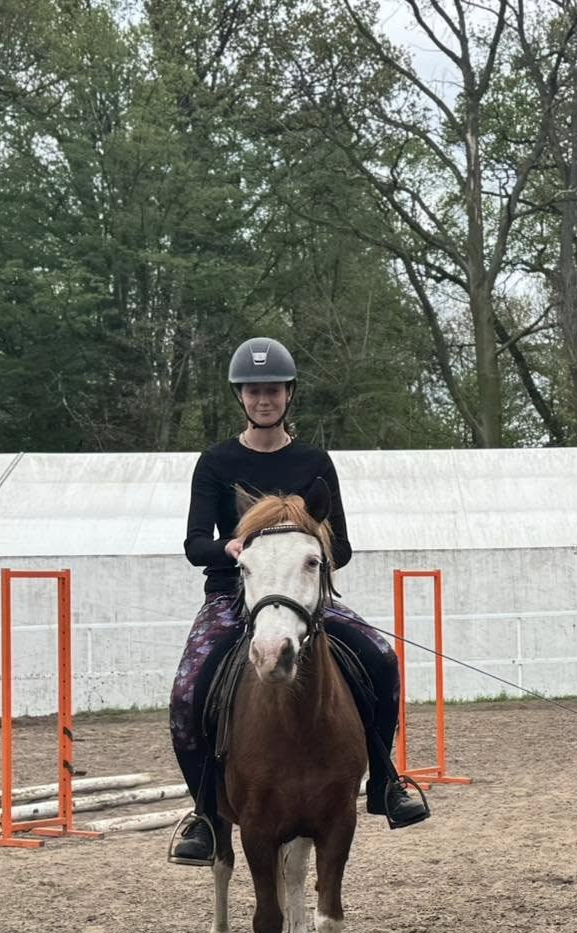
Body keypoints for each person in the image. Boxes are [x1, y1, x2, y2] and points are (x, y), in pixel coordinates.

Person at [166, 337, 430, 864]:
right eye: (254, 391)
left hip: (306, 598)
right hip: (234, 595)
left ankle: (384, 781)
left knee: (380, 658)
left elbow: (344, 545)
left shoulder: (314, 461)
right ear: (241, 397)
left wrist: (310, 552)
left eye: (273, 390)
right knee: (188, 690)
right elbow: (196, 544)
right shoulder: (216, 462)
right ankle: (205, 813)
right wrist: (232, 546)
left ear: (289, 395)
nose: (264, 400)